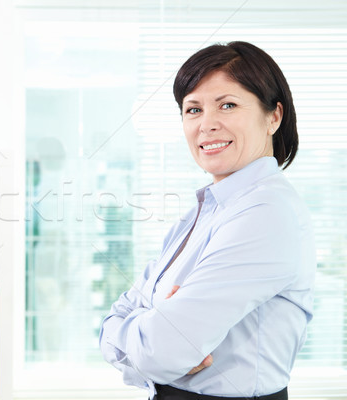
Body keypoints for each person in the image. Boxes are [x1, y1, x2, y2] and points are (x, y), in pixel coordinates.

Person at [99, 41, 316, 400]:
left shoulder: (267, 215)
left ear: (273, 117)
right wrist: (146, 326)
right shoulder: (206, 209)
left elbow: (162, 349)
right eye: (193, 109)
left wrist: (143, 328)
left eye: (227, 105)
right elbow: (120, 313)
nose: (207, 125)